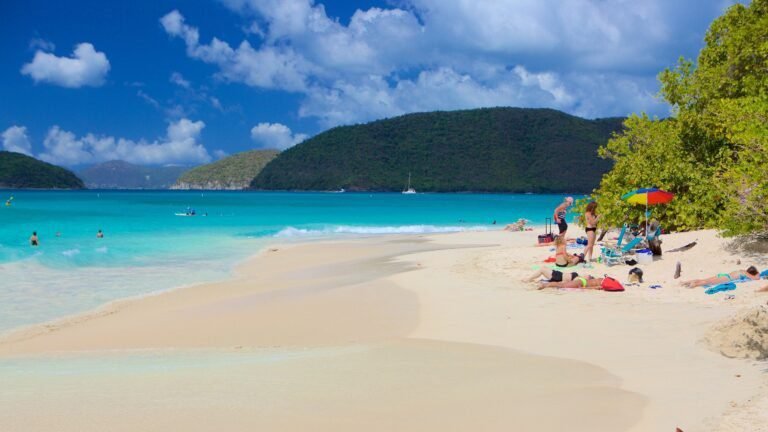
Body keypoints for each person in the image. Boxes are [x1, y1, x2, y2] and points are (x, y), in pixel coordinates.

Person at [680, 266, 760, 288]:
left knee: (705, 280)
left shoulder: (742, 270)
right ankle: (693, 285)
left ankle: (685, 282)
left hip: (724, 275)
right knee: (706, 282)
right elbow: (756, 278)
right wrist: (758, 273)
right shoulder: (746, 273)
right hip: (726, 278)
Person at [538, 275, 605, 290]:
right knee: (561, 285)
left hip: (583, 281)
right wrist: (594, 288)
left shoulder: (603, 279)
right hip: (582, 283)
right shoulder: (602, 285)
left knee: (562, 284)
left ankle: (545, 284)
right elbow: (583, 288)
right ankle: (544, 285)